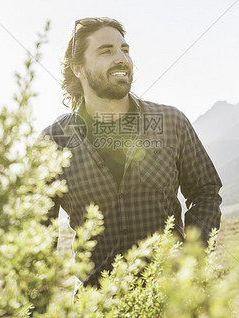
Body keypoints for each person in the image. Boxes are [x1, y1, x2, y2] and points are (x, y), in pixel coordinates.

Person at [42, 17, 222, 287]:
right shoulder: (54, 141)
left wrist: (192, 259)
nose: (121, 58)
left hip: (170, 300)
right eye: (106, 51)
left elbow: (205, 190)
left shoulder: (171, 123)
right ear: (78, 68)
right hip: (98, 305)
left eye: (124, 50)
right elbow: (37, 229)